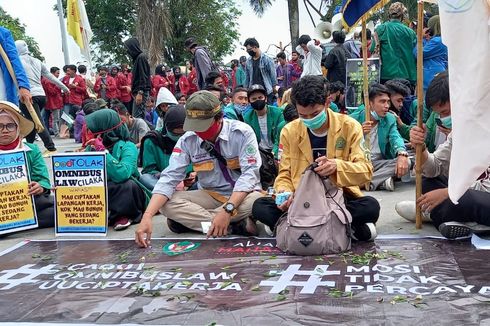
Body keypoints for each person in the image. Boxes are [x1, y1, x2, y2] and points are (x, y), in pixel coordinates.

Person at [251, 75, 380, 241]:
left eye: (315, 114)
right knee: (260, 207)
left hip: (338, 198)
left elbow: (366, 171)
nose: (309, 120)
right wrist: (284, 193)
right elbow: (284, 174)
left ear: (327, 103)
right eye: (303, 115)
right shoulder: (289, 131)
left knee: (370, 206)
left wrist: (337, 166)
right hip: (300, 200)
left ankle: (292, 227)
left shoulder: (350, 126)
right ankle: (344, 228)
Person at [135, 91, 264, 247]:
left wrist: (227, 210)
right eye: (194, 126)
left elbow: (250, 175)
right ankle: (231, 226)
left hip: (243, 196)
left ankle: (209, 222)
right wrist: (147, 216)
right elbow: (169, 178)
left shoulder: (242, 133)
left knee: (257, 201)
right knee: (166, 204)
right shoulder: (188, 139)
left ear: (219, 118)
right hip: (210, 195)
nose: (198, 132)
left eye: (202, 127)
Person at [395, 127, 490, 239]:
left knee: (469, 199)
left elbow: (486, 187)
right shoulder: (462, 128)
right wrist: (421, 148)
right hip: (464, 192)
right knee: (427, 181)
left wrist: (448, 193)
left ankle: (435, 213)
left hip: (483, 195)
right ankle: (456, 217)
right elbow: (435, 166)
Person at [85, 109, 149, 230]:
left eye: (92, 129)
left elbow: (122, 174)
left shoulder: (128, 146)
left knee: (129, 186)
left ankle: (123, 215)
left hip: (123, 191)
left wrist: (103, 152)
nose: (89, 132)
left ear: (104, 130)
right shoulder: (90, 148)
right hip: (103, 187)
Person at [0, 101, 54, 228]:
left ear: (18, 127)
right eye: (0, 126)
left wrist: (40, 186)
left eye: (10, 126)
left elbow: (42, 178)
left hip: (29, 201)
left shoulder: (31, 150)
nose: (5, 130)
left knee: (57, 211)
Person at [349, 83, 409, 191]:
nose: (387, 106)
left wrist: (401, 153)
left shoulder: (389, 119)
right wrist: (359, 133)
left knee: (409, 159)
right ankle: (381, 180)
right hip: (357, 165)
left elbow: (395, 137)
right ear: (369, 103)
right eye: (382, 102)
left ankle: (364, 183)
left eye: (388, 102)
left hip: (378, 164)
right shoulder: (352, 120)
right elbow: (343, 146)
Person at [15, 40, 68, 156]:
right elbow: (50, 76)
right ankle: (29, 146)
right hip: (41, 96)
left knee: (38, 122)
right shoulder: (37, 61)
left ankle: (51, 148)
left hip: (28, 96)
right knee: (32, 121)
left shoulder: (17, 61)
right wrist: (64, 87)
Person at [139, 105, 193, 190]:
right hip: (162, 182)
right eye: (175, 134)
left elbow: (199, 162)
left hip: (188, 184)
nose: (180, 137)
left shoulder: (191, 138)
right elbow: (148, 170)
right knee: (145, 178)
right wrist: (165, 177)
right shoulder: (152, 140)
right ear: (166, 128)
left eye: (183, 134)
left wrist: (193, 174)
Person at [373, 2, 417, 85]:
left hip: (386, 75)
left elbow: (373, 49)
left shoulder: (381, 29)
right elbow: (416, 53)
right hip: (407, 75)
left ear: (389, 15)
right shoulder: (411, 33)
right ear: (402, 16)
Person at [243, 84, 285, 159]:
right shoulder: (247, 117)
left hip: (276, 150)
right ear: (249, 102)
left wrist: (273, 153)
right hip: (259, 153)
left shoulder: (278, 113)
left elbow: (280, 137)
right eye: (254, 99)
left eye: (260, 97)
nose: (257, 100)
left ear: (265, 99)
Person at [413, 15, 448, 92]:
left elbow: (418, 54)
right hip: (436, 73)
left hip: (430, 76)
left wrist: (420, 38)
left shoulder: (437, 41)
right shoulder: (441, 40)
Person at [0, 27, 31, 106]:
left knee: (6, 113)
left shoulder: (3, 33)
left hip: (2, 91)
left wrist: (24, 86)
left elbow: (15, 60)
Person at [243, 38, 278, 104]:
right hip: (253, 91)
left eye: (249, 49)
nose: (248, 51)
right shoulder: (248, 61)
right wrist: (246, 89)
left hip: (266, 91)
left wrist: (274, 88)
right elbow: (247, 77)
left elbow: (273, 75)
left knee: (267, 109)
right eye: (247, 50)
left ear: (255, 47)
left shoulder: (267, 59)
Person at [124, 38, 151, 119]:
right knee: (139, 117)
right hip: (138, 92)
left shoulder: (141, 57)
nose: (127, 51)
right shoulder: (137, 59)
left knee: (138, 118)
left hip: (141, 92)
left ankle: (153, 131)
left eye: (127, 48)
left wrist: (140, 93)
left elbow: (143, 77)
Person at [61, 64, 86, 138]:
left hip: (76, 101)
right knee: (66, 116)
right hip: (67, 100)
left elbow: (84, 89)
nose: (67, 72)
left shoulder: (80, 79)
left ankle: (78, 132)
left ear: (73, 71)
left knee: (77, 116)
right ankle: (68, 132)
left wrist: (75, 87)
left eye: (69, 70)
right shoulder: (65, 78)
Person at [41, 67, 63, 137]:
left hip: (48, 102)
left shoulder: (45, 80)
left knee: (46, 118)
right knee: (55, 119)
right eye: (57, 73)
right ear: (53, 73)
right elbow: (52, 92)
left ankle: (47, 133)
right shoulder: (50, 81)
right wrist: (58, 85)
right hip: (54, 102)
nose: (58, 75)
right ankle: (56, 133)